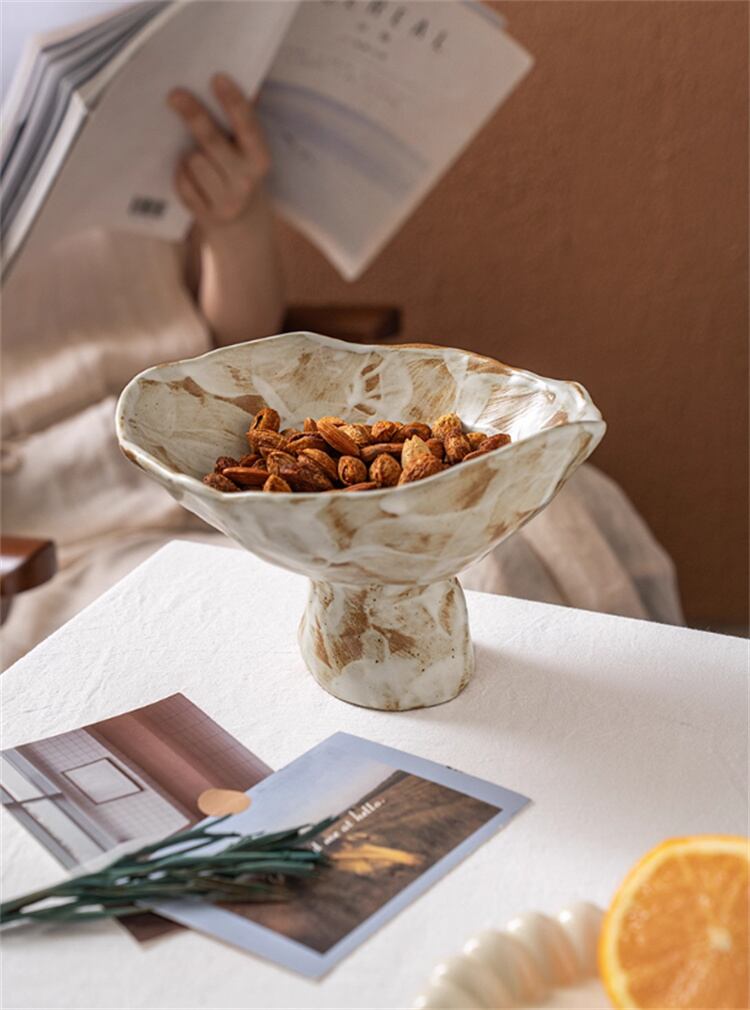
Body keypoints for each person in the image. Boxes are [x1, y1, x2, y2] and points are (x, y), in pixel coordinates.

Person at [1, 75, 285, 668]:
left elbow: (242, 350)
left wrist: (236, 221)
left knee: (483, 555)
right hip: (48, 528)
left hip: (214, 456)